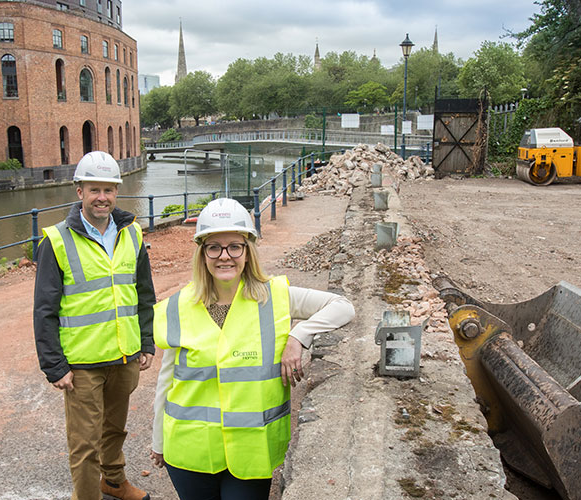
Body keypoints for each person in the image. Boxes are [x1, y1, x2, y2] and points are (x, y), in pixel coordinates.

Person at [149, 198, 355, 499]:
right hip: (190, 450)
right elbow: (166, 381)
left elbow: (343, 306)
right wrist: (158, 441)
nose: (225, 256)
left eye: (235, 246)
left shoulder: (275, 298)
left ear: (248, 251)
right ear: (202, 252)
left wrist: (298, 336)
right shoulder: (178, 307)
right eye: (214, 247)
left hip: (249, 452)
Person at [34, 151, 155, 500]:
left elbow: (144, 293)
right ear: (79, 191)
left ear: (117, 191)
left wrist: (145, 342)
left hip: (124, 356)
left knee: (114, 429)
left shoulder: (131, 233)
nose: (102, 197)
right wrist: (55, 366)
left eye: (109, 189)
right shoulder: (56, 241)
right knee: (85, 444)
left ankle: (114, 482)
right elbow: (44, 310)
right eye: (94, 190)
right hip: (82, 364)